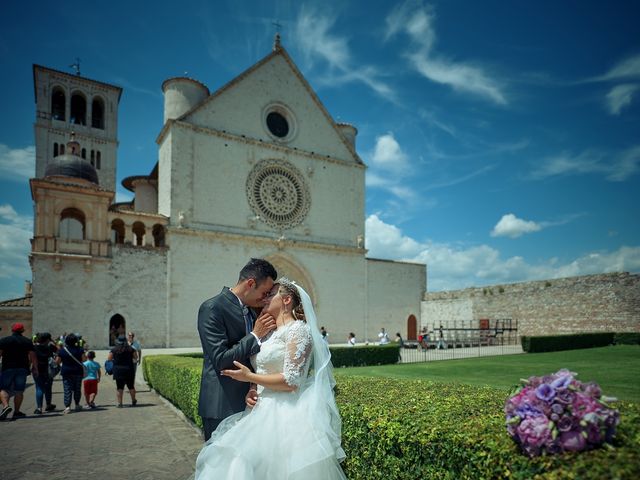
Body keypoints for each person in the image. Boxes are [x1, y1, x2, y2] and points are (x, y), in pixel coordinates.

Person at [195, 278, 346, 479]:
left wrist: (250, 376)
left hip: (283, 412)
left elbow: (292, 381)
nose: (265, 298)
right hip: (257, 407)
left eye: (271, 294)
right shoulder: (268, 333)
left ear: (286, 300)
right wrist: (251, 386)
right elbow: (263, 367)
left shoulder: (299, 330)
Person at [197, 258, 278, 441]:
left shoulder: (253, 310)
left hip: (251, 401)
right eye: (264, 292)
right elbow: (221, 359)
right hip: (222, 404)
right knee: (218, 466)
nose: (265, 298)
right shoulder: (212, 308)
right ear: (250, 283)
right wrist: (255, 335)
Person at [0, 323, 38, 420]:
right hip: (22, 368)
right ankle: (17, 412)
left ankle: (5, 406)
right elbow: (33, 355)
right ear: (23, 331)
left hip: (7, 368)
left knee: (4, 388)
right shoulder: (27, 341)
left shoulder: (5, 340)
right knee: (19, 390)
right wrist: (35, 367)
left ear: (12, 330)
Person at [56, 333, 86, 414]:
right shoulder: (80, 349)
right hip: (78, 372)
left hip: (66, 372)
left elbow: (57, 362)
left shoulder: (62, 350)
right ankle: (77, 404)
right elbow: (84, 360)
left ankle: (67, 407)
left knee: (67, 389)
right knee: (77, 389)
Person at [107, 335, 138, 408]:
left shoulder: (114, 349)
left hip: (118, 371)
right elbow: (135, 357)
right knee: (131, 386)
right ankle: (133, 400)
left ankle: (120, 403)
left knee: (119, 387)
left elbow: (109, 359)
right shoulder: (131, 349)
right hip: (129, 369)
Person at [33, 332, 57, 414]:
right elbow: (59, 350)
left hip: (37, 369)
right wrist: (53, 341)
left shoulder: (34, 347)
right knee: (48, 388)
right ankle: (48, 405)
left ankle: (39, 408)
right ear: (47, 339)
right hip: (48, 370)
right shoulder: (50, 347)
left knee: (39, 388)